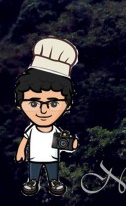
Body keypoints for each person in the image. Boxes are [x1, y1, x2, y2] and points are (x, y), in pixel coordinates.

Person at [14, 38, 79, 197]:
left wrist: (72, 143)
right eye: (34, 103)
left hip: (51, 157)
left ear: (67, 105)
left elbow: (63, 142)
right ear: (20, 103)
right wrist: (21, 151)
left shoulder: (56, 130)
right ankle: (32, 182)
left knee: (52, 169)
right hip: (35, 156)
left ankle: (54, 181)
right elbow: (25, 139)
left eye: (53, 103)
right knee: (34, 169)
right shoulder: (31, 129)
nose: (43, 110)